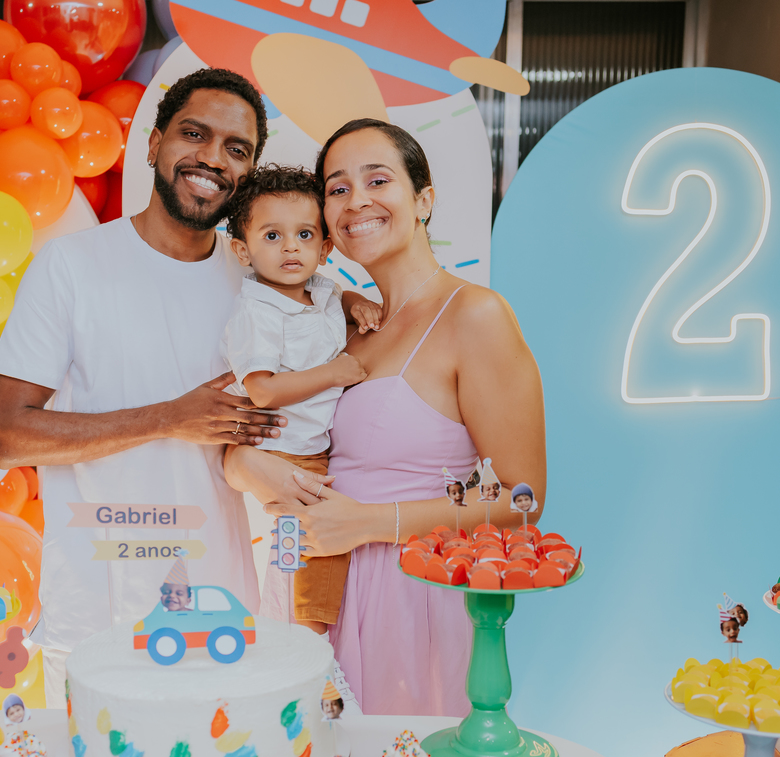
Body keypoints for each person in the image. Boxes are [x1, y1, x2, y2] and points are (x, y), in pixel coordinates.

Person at [225, 118, 546, 716]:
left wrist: (370, 522)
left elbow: (521, 499)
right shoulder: (339, 325)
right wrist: (245, 465)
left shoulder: (474, 315)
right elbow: (267, 430)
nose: (356, 201)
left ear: (423, 199)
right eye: (338, 188)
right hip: (316, 587)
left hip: (409, 597)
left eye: (378, 179)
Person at [0, 68, 280, 707]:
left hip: (221, 605)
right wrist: (170, 418)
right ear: (152, 145)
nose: (212, 159)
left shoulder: (257, 285)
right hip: (98, 614)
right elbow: (8, 437)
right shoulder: (70, 267)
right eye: (194, 134)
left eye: (237, 149)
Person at [220, 165, 380, 637]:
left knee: (306, 547)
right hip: (283, 451)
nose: (290, 247)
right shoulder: (259, 310)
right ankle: (306, 644)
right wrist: (332, 372)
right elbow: (263, 389)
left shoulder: (321, 290)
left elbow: (337, 296)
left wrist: (356, 305)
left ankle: (298, 632)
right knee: (316, 552)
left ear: (324, 248)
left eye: (304, 234)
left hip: (315, 447)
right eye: (272, 235)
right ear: (243, 250)